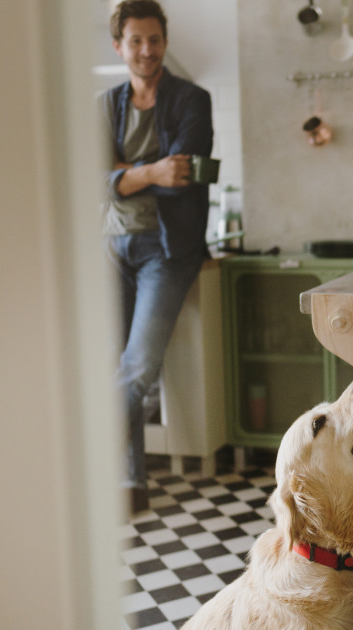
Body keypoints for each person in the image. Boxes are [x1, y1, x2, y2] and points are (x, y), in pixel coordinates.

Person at [102, 0, 213, 513]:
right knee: (112, 365)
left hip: (168, 250)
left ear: (164, 42)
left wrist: (126, 172)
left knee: (137, 367)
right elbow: (99, 181)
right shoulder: (106, 105)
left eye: (154, 39)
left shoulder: (192, 98)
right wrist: (147, 172)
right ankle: (129, 482)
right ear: (119, 45)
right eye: (136, 41)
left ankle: (95, 466)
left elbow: (184, 175)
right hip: (112, 246)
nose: (146, 50)